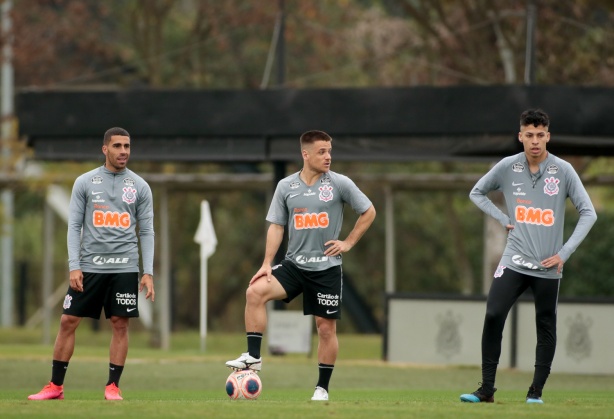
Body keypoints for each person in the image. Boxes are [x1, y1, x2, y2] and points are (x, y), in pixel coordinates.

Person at [225, 130, 376, 401]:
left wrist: (348, 242)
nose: (328, 156)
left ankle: (322, 388)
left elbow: (369, 211)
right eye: (321, 152)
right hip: (294, 266)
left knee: (326, 328)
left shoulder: (340, 183)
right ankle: (254, 357)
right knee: (254, 291)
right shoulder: (286, 186)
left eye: (329, 151)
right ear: (305, 154)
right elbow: (276, 226)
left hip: (327, 268)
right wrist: (267, 263)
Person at [460, 109, 597, 404]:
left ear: (548, 136)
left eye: (540, 135)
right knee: (494, 313)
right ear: (520, 136)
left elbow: (589, 213)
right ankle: (486, 390)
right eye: (529, 135)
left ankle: (535, 392)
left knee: (545, 324)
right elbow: (477, 192)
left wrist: (564, 253)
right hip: (514, 259)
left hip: (548, 265)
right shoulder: (508, 166)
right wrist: (501, 217)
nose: (535, 141)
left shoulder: (563, 171)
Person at [28, 127, 155, 401]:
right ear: (105, 149)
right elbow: (74, 226)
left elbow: (147, 231)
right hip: (89, 267)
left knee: (120, 324)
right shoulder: (85, 182)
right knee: (67, 321)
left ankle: (113, 387)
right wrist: (75, 265)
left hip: (124, 266)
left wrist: (148, 272)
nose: (124, 151)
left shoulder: (140, 186)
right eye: (118, 146)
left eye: (127, 146)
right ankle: (55, 386)